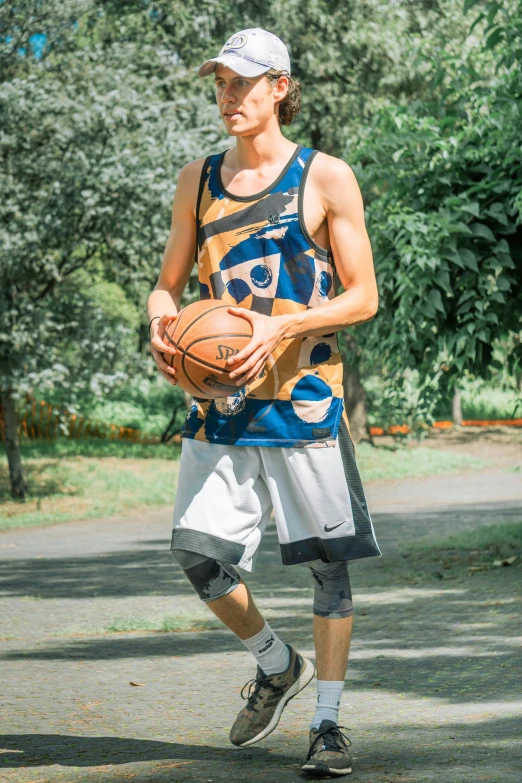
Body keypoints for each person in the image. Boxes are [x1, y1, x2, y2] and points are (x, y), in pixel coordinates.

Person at [147, 27, 381, 777]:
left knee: (326, 568)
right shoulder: (198, 179)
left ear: (280, 87)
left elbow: (363, 296)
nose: (228, 96)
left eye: (244, 83)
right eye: (220, 82)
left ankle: (329, 724)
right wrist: (161, 323)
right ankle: (277, 664)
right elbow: (168, 283)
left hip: (307, 399)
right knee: (196, 554)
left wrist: (284, 324)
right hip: (220, 405)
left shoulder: (326, 176)